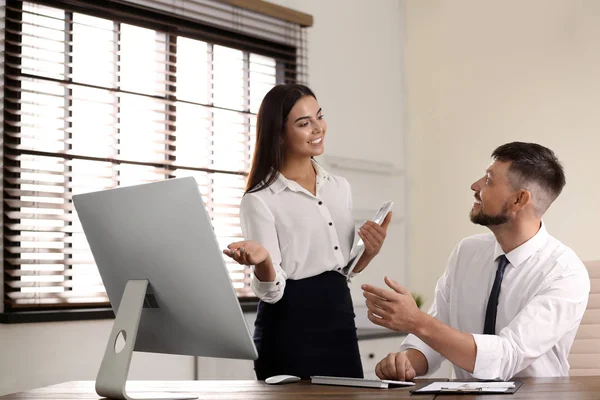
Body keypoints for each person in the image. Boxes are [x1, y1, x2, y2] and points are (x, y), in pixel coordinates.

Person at [362, 142, 590, 381]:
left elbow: (506, 357)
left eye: (489, 180)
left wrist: (417, 321)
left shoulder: (565, 273)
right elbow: (435, 334)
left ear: (519, 200)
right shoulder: (467, 252)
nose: (475, 186)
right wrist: (407, 362)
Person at [223, 83, 392, 380]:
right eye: (304, 123)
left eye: (319, 116)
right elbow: (271, 293)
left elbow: (342, 271)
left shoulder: (340, 187)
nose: (318, 128)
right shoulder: (260, 199)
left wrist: (369, 252)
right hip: (288, 331)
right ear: (279, 133)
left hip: (340, 320)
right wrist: (263, 262)